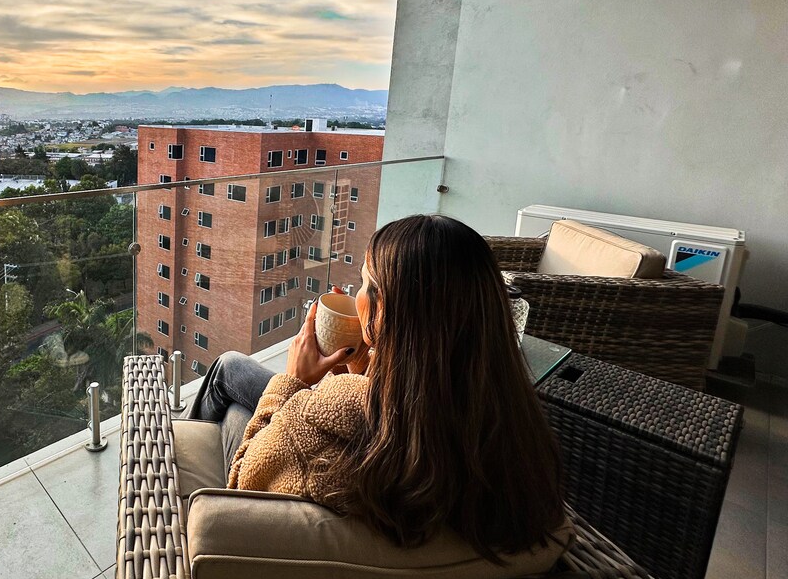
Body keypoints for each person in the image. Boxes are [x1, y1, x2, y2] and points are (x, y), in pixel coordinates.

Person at [188, 214, 564, 561]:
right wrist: (363, 369)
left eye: (366, 284)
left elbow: (242, 486)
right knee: (232, 369)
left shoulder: (317, 417)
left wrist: (294, 382)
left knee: (229, 378)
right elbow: (398, 404)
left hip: (252, 510)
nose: (357, 296)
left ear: (386, 309)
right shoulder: (510, 420)